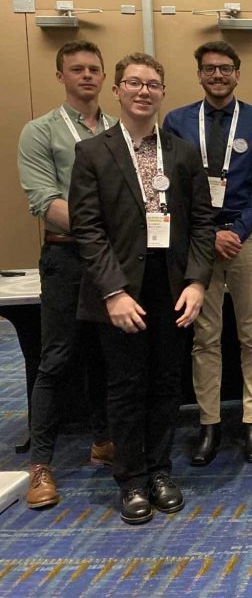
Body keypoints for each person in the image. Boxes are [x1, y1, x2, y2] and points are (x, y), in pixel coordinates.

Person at [69, 52, 215, 524]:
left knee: (167, 383)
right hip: (121, 290)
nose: (143, 91)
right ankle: (130, 480)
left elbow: (202, 224)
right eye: (133, 83)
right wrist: (113, 291)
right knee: (127, 385)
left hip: (170, 285)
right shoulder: (92, 152)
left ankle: (159, 470)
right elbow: (87, 230)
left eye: (152, 84)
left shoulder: (183, 152)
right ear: (117, 91)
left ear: (162, 92)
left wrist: (197, 282)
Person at [163, 41, 252, 465]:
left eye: (225, 68)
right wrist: (211, 234)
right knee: (204, 337)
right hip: (199, 242)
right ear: (199, 74)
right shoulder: (176, 121)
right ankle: (209, 424)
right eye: (210, 69)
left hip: (246, 239)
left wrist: (238, 230)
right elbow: (171, 186)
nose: (218, 75)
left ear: (237, 72)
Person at [17, 40, 115, 509]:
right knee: (56, 360)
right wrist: (104, 227)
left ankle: (104, 440)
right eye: (77, 69)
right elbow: (46, 203)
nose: (87, 76)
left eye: (94, 69)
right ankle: (40, 465)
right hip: (68, 259)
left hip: (112, 260)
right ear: (61, 76)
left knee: (105, 355)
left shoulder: (118, 128)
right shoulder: (39, 132)